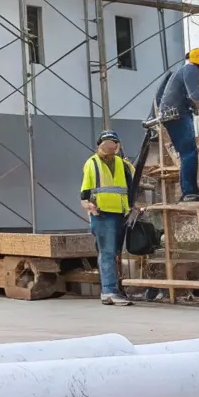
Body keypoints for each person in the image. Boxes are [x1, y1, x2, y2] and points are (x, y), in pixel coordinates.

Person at [80, 131, 135, 306]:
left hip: (121, 213)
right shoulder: (92, 163)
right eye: (106, 143)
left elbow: (132, 186)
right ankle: (109, 291)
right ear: (99, 146)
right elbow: (85, 193)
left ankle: (114, 289)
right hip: (102, 213)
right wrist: (89, 206)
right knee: (107, 252)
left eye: (113, 143)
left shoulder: (123, 164)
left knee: (115, 252)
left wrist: (132, 208)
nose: (110, 146)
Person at [153, 47, 199, 202]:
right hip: (177, 115)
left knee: (188, 152)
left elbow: (187, 95)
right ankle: (189, 192)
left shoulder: (184, 70)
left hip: (174, 114)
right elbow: (194, 94)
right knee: (189, 153)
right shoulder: (191, 69)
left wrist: (196, 106)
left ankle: (190, 191)